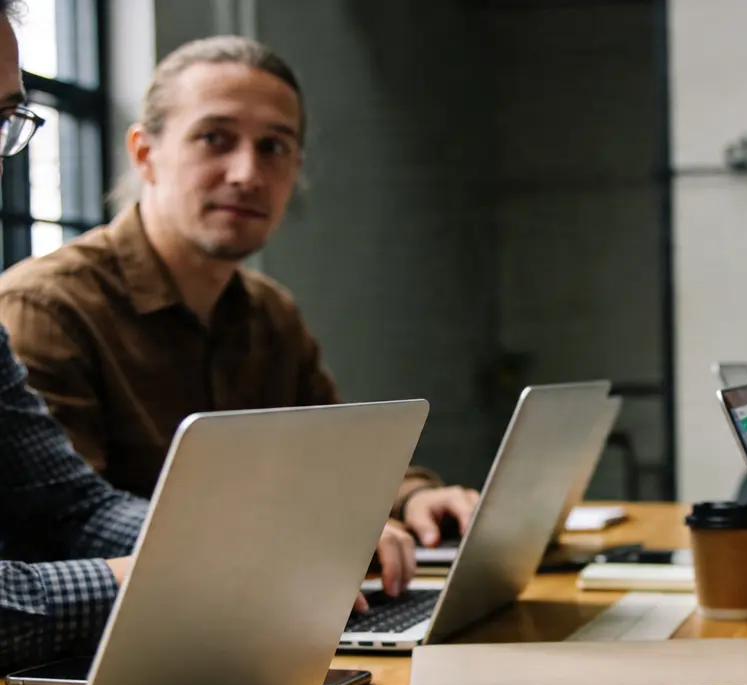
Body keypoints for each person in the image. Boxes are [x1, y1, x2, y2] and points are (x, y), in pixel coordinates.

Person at [0, 36, 479, 593]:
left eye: (274, 147)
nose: (247, 173)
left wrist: (415, 496)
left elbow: (338, 464)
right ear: (144, 154)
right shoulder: (42, 309)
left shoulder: (270, 313)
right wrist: (260, 551)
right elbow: (52, 535)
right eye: (214, 139)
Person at [0, 0, 151, 673]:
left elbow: (68, 507)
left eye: (3, 118)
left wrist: (232, 546)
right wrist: (144, 579)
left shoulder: (273, 310)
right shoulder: (40, 300)